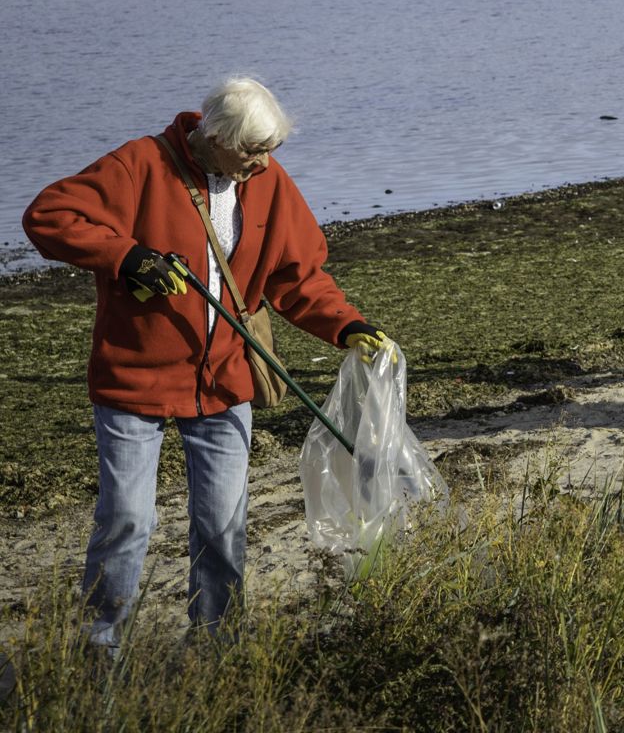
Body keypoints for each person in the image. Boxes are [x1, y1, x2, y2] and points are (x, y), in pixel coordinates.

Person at [23, 76, 396, 651]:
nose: (263, 164)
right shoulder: (139, 165)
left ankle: (215, 649)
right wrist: (128, 257)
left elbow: (299, 278)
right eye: (251, 151)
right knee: (127, 522)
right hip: (134, 382)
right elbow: (48, 216)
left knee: (223, 527)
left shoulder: (266, 184)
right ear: (212, 134)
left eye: (271, 150)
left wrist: (347, 326)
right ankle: (100, 649)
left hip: (224, 382)